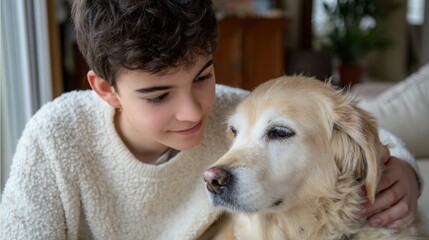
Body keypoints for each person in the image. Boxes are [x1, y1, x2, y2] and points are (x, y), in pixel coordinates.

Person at [0, 0, 422, 239]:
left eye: (203, 76)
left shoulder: (230, 110)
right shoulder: (56, 136)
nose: (193, 111)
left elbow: (362, 132)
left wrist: (402, 169)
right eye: (158, 95)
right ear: (106, 89)